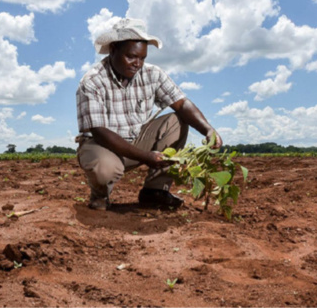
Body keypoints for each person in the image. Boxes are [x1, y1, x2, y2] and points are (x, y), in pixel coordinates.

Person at [75, 18, 222, 211]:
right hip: (102, 145)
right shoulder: (92, 81)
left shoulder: (152, 74)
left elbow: (181, 103)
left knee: (177, 120)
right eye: (131, 56)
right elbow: (100, 132)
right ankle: (100, 196)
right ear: (113, 50)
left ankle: (155, 192)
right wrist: (146, 156)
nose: (137, 64)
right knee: (106, 169)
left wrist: (208, 130)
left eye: (142, 58)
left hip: (137, 140)